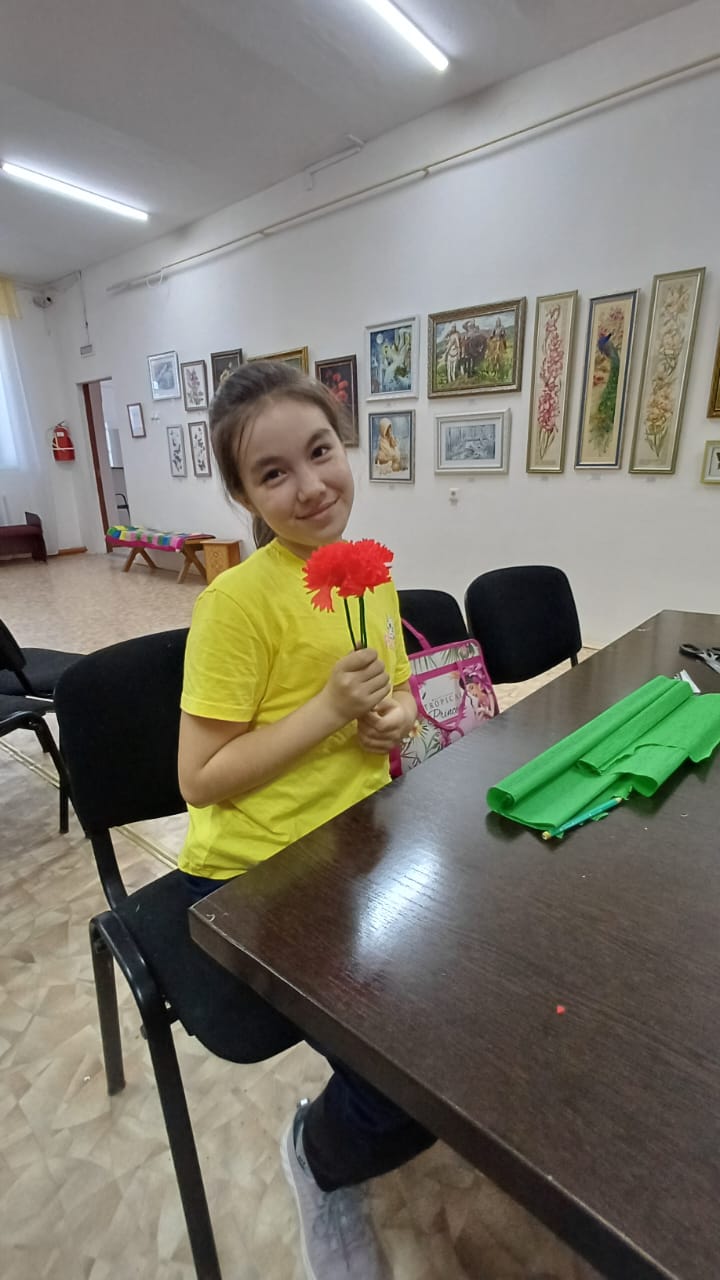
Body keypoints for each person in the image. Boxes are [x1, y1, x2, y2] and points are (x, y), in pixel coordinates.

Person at [177, 360, 435, 1280]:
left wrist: (390, 717)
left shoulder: (368, 576)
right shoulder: (235, 604)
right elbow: (199, 779)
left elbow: (400, 696)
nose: (311, 485)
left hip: (360, 838)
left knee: (460, 1015)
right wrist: (327, 710)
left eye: (321, 451)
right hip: (258, 872)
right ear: (244, 495)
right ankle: (318, 1160)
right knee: (408, 1083)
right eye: (273, 473)